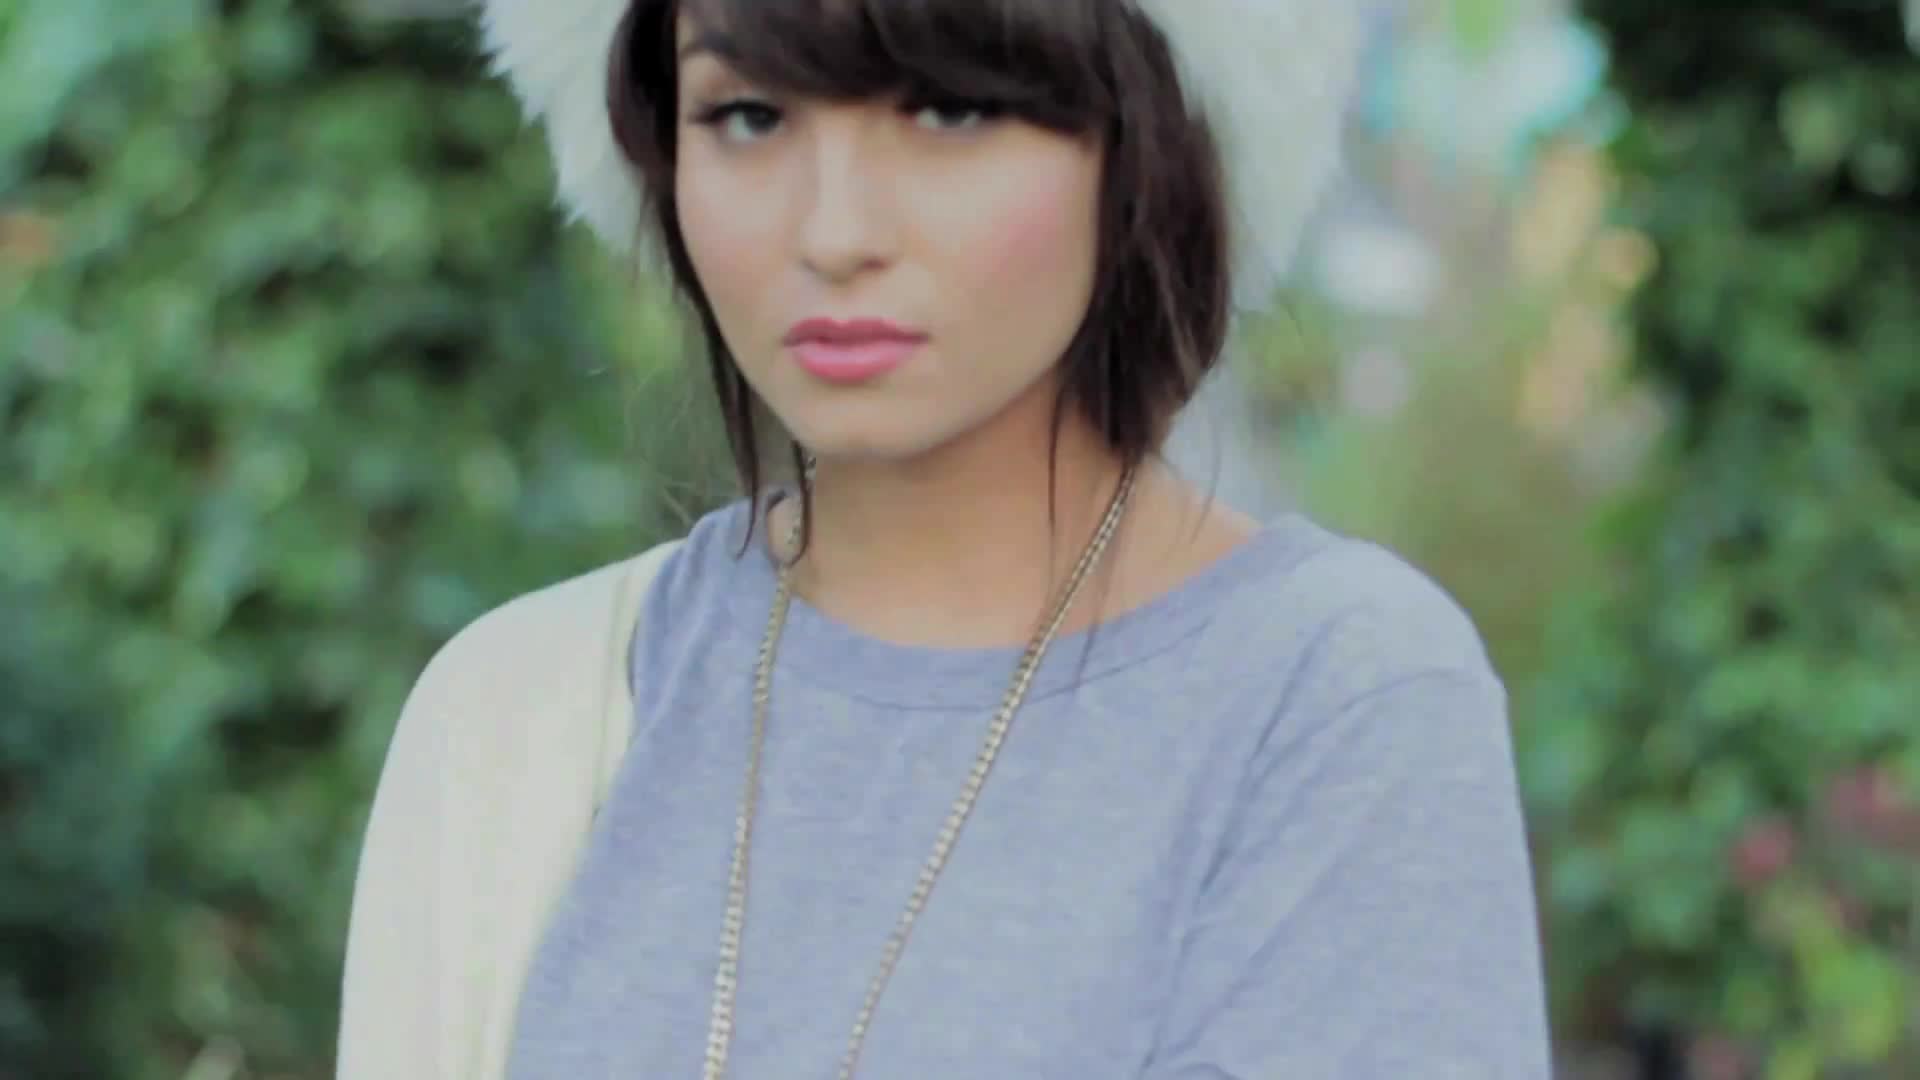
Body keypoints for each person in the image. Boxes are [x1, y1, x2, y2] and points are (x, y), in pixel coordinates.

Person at [337, 0, 1555, 1077]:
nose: (835, 232)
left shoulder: (1333, 696)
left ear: (1141, 145)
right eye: (750, 116)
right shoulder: (516, 715)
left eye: (951, 109)